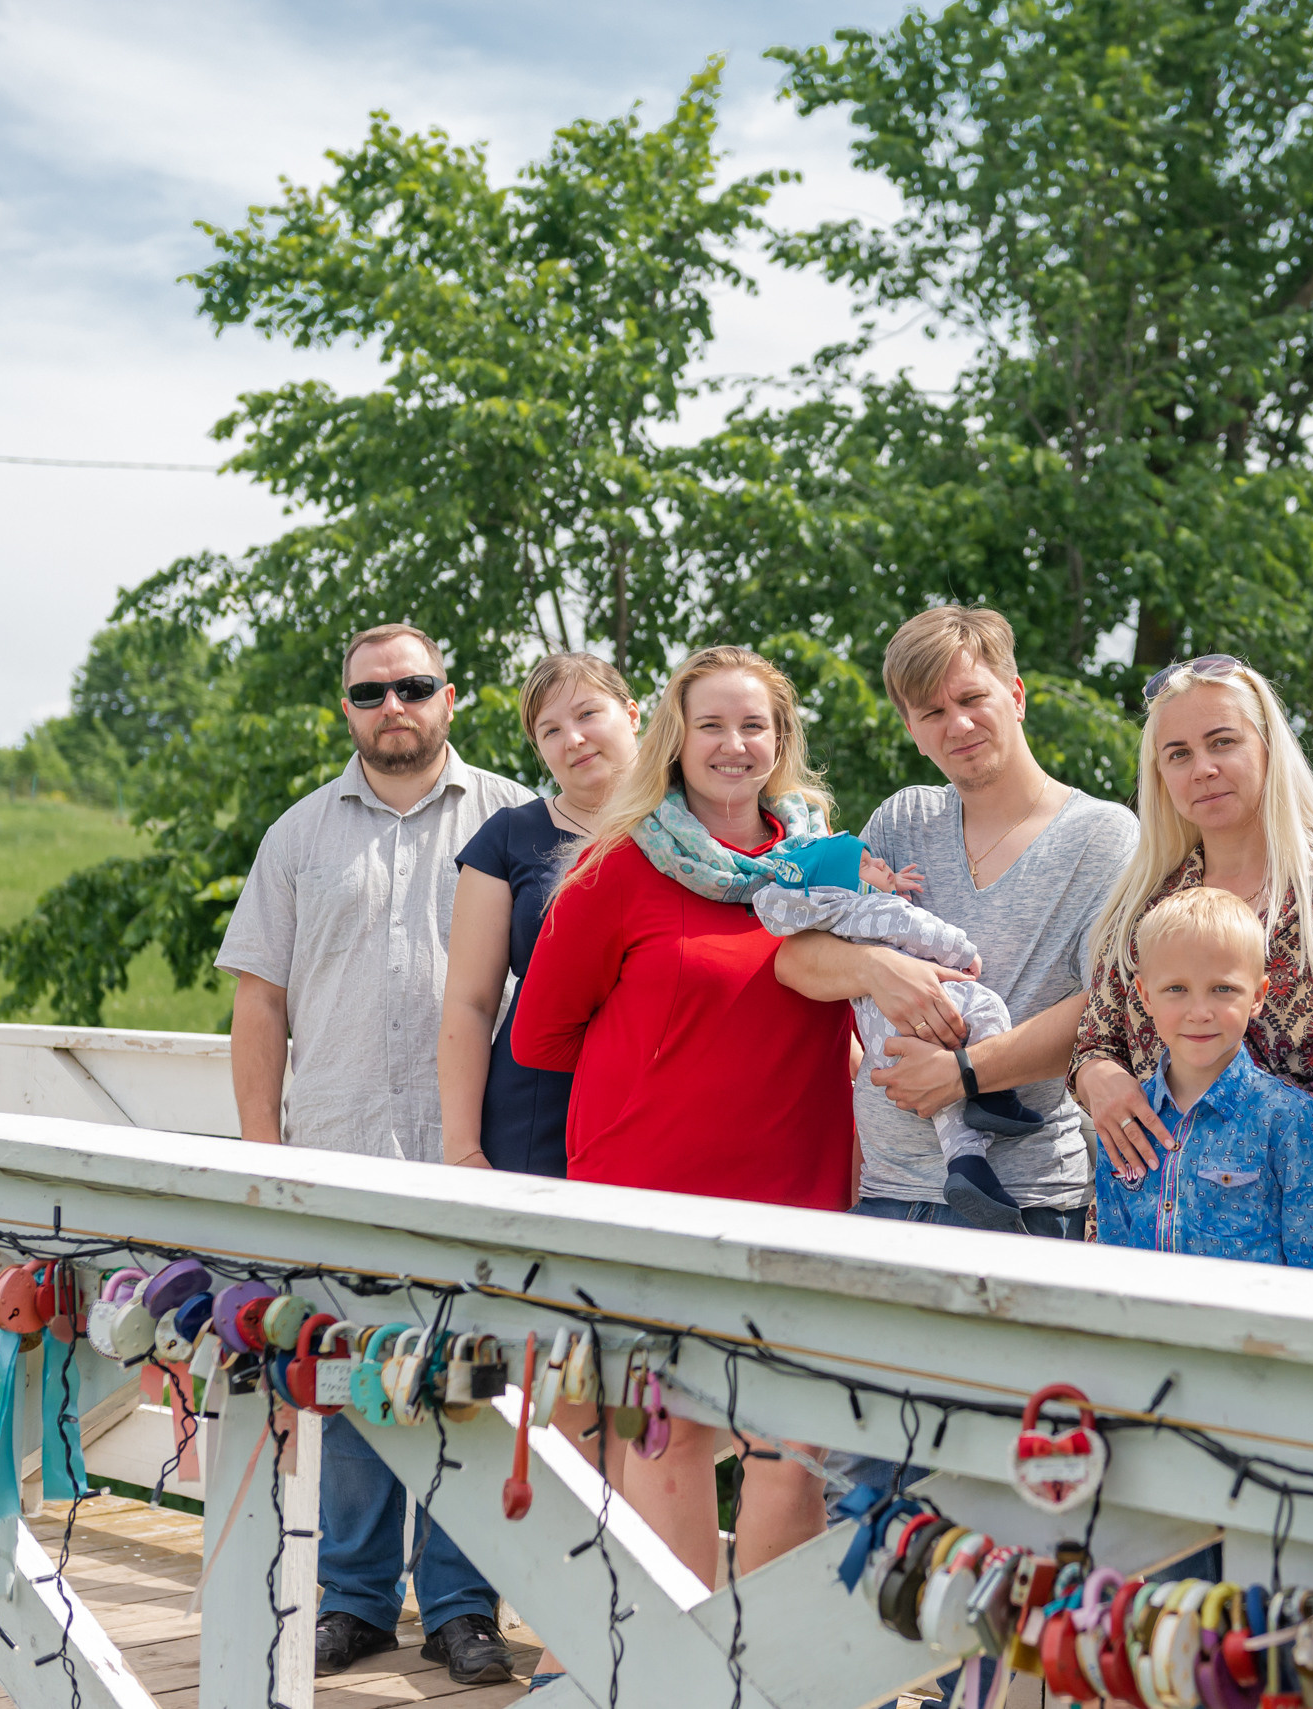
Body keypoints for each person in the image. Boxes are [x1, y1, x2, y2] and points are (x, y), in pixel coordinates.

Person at [215, 622, 531, 1686]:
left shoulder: (515, 824)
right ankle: (351, 1600)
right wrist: (263, 1154)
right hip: (340, 1143)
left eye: (415, 685)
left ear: (453, 695)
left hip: (475, 1148)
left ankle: (459, 1606)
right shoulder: (297, 836)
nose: (393, 704)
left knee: (465, 1373)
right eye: (370, 692)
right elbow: (259, 999)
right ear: (344, 707)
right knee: (348, 1375)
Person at [509, 644, 848, 1585]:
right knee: (669, 1436)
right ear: (675, 736)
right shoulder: (617, 866)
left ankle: (773, 1684)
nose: (733, 745)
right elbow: (540, 1036)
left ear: (780, 741)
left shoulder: (823, 865)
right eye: (711, 724)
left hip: (800, 1193)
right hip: (651, 1202)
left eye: (754, 725)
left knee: (791, 1447)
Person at [775, 606, 1138, 1235]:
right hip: (886, 1189)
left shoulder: (1102, 836)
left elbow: (1109, 1005)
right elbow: (796, 958)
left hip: (1024, 1202)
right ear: (912, 730)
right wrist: (874, 967)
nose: (959, 725)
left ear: (1016, 696)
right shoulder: (901, 819)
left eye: (973, 698)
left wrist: (961, 1075)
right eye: (932, 713)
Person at [1071, 655, 1313, 1184]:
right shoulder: (1142, 902)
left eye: (1223, 742)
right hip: (1149, 1222)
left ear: (1268, 747)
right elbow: (1095, 1042)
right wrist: (1097, 1076)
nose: (1202, 769)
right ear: (1161, 775)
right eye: (1178, 754)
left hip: (1295, 1231)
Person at [750, 833, 1050, 1223]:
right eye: (864, 865)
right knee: (988, 1008)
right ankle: (996, 1097)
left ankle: (967, 1168)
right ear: (847, 885)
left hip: (885, 1039)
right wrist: (964, 953)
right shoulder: (877, 908)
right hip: (927, 1009)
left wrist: (890, 884)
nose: (878, 863)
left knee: (945, 1102)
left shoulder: (834, 920)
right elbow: (918, 928)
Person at [439, 652, 642, 1177]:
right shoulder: (509, 837)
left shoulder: (696, 827)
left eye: (587, 715)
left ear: (633, 714)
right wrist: (463, 1148)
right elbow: (470, 1002)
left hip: (664, 1097)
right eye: (549, 731)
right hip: (536, 1108)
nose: (572, 739)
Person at [1091, 887, 1313, 1271]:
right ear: (1145, 996)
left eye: (1223, 989)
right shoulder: (1123, 1120)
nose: (1199, 1012)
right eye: (1176, 989)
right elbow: (1111, 1254)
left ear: (1258, 995)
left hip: (1253, 1330)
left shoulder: (1288, 1118)